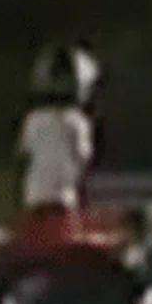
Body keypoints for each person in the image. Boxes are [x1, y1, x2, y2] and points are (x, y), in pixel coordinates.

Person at [16, 48, 96, 213]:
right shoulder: (78, 122)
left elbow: (24, 155)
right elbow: (84, 158)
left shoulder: (33, 120)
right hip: (63, 198)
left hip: (33, 197)